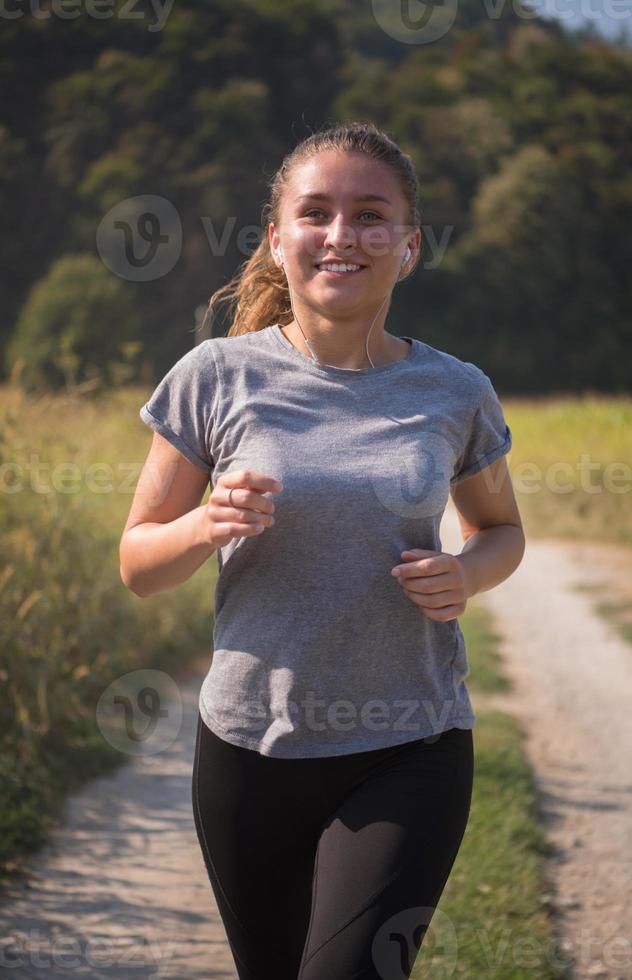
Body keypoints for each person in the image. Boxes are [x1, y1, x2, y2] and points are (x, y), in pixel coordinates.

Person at [120, 121, 525, 980]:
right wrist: (204, 525)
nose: (343, 235)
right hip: (248, 749)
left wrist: (467, 573)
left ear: (409, 247)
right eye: (317, 213)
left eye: (371, 215)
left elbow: (502, 531)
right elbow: (138, 562)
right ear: (278, 238)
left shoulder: (456, 390)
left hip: (411, 745)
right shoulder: (213, 376)